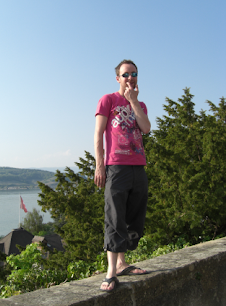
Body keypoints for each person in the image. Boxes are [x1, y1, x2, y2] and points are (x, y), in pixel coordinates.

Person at [94, 59, 151, 292]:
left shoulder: (140, 104)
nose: (130, 78)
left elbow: (146, 128)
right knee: (114, 216)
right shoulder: (108, 100)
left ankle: (122, 263)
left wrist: (133, 102)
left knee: (133, 215)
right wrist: (99, 166)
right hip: (116, 166)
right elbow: (98, 134)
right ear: (118, 78)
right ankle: (111, 272)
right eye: (126, 74)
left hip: (138, 166)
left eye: (134, 74)